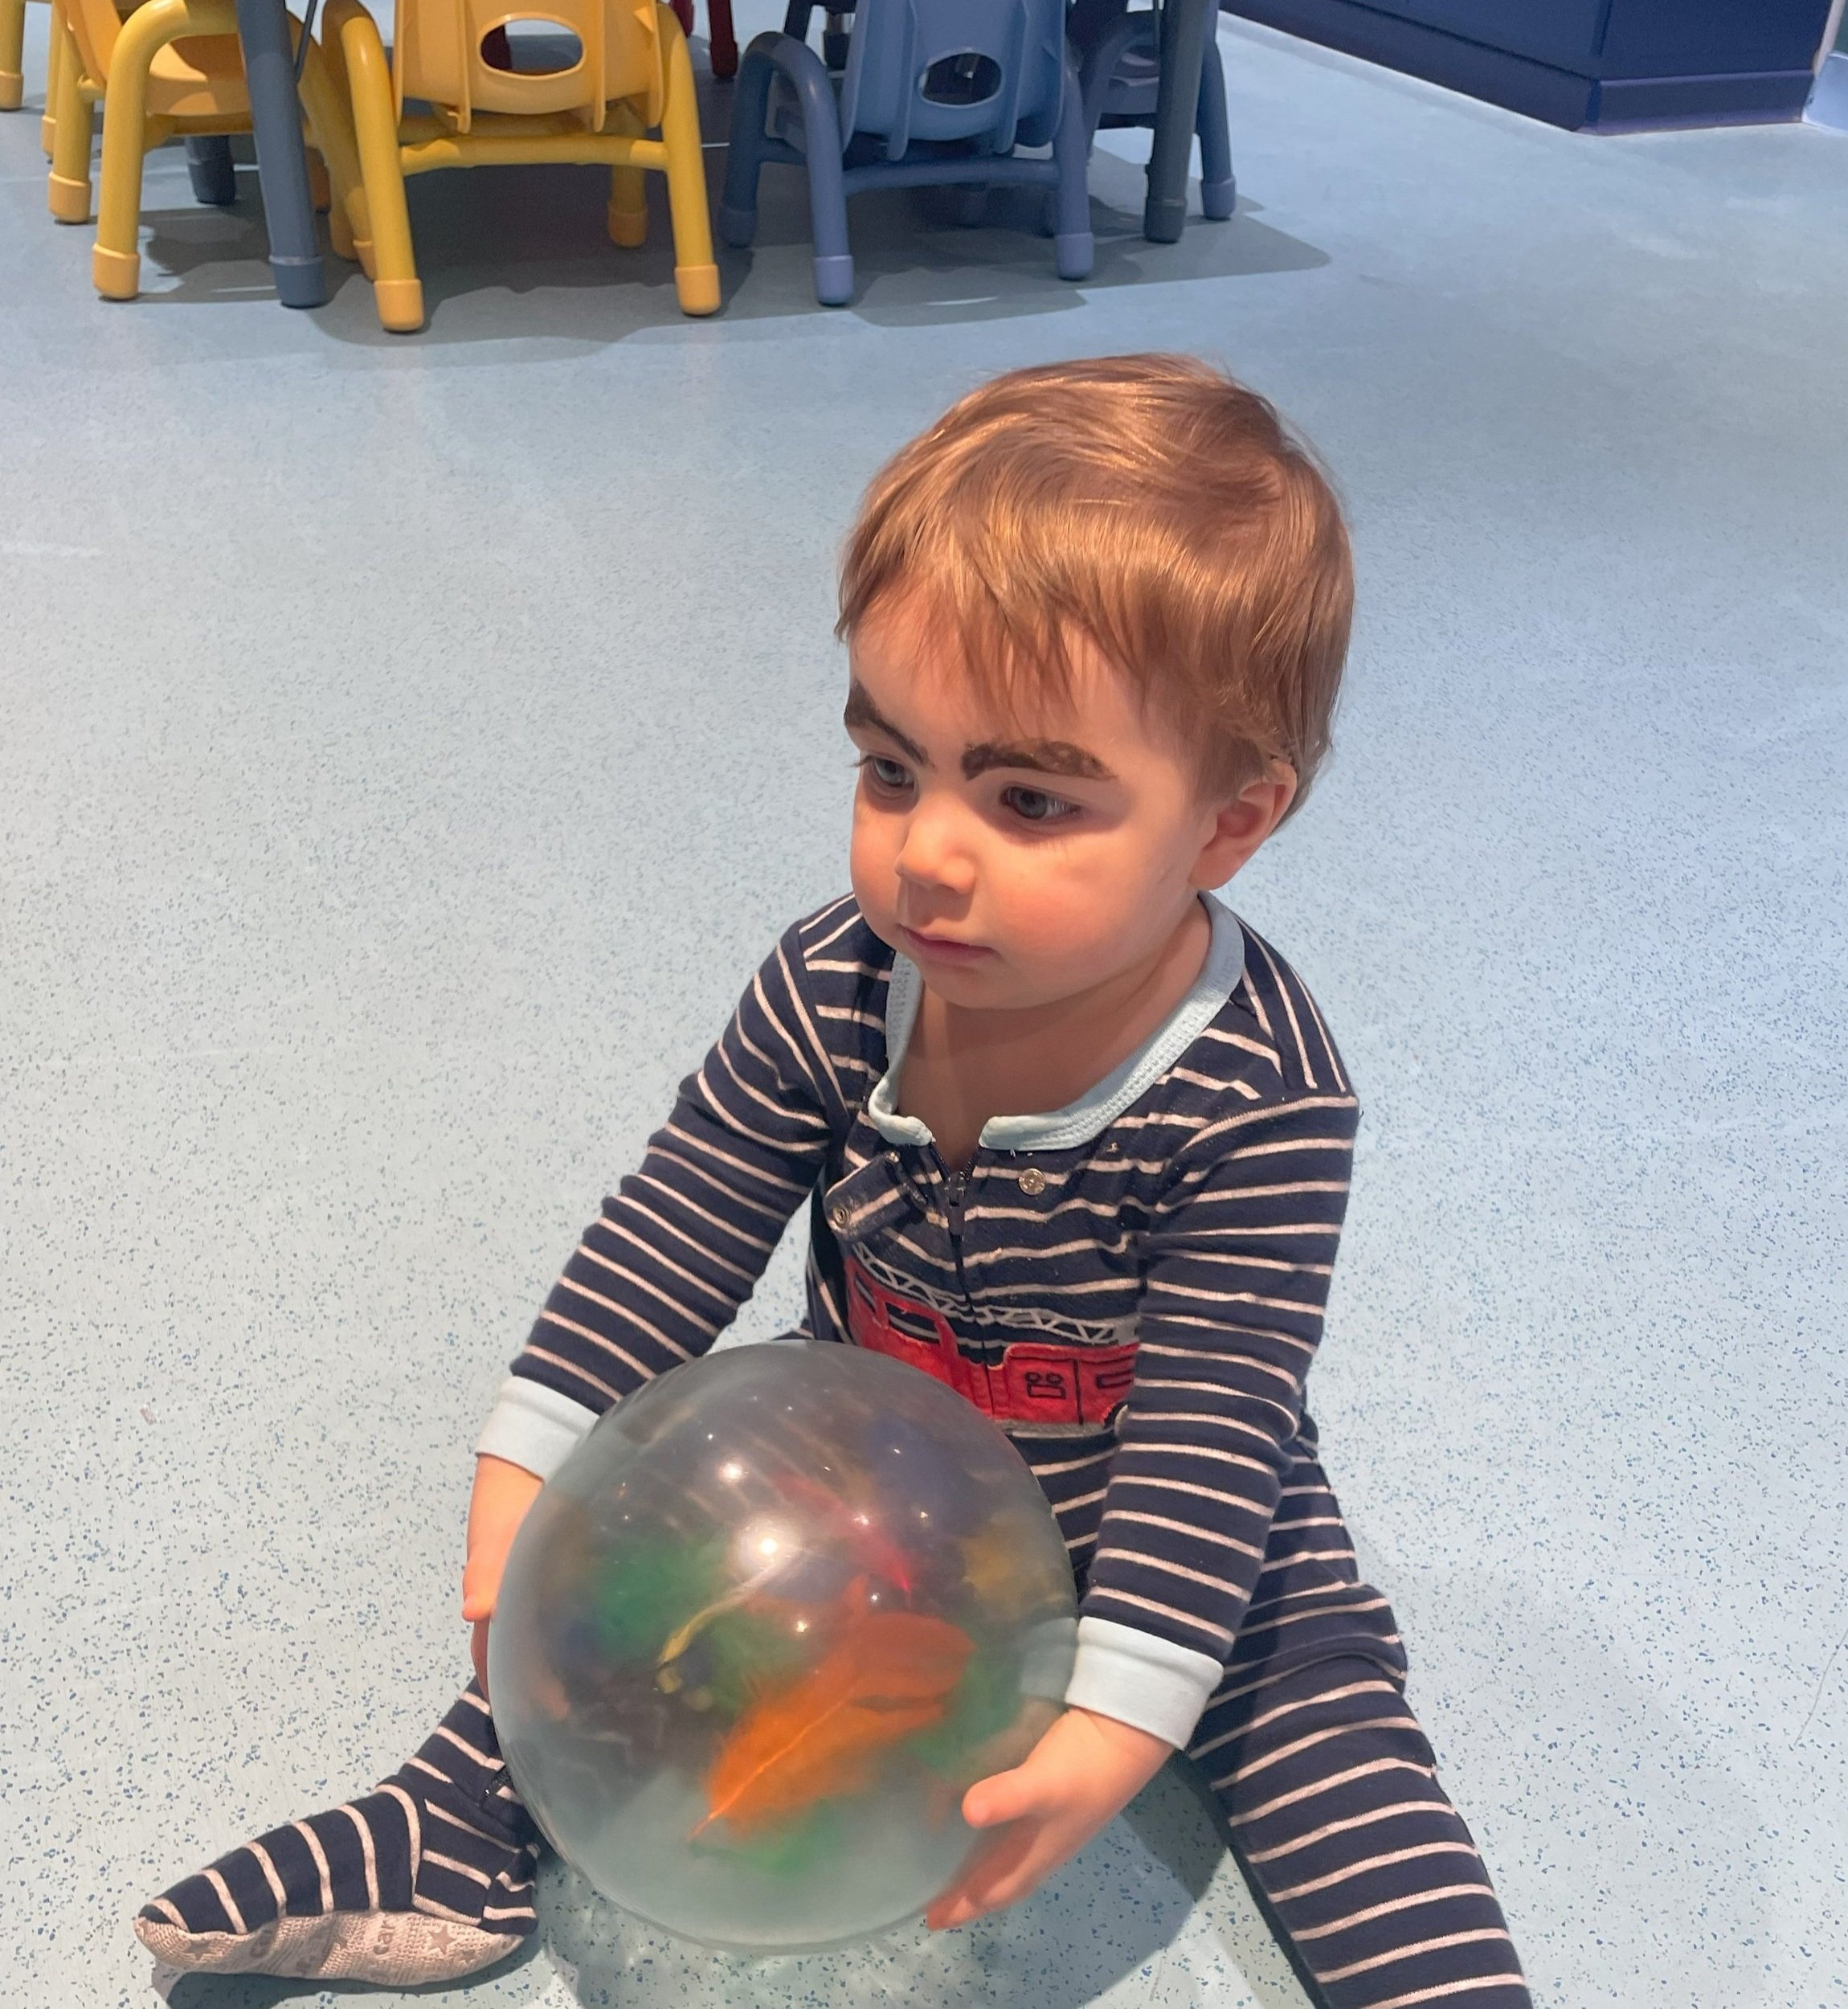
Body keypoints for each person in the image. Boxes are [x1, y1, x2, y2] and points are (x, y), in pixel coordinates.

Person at [135, 355, 1531, 2009]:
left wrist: (1115, 1716)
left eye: (1026, 797)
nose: (927, 851)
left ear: (1227, 824)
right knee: (618, 1599)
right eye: (892, 768)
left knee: (1322, 1717)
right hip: (863, 1504)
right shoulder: (833, 980)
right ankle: (448, 1824)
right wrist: (537, 1459)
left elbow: (1215, 1427)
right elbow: (675, 1219)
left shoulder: (1257, 1098)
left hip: (1153, 1519)